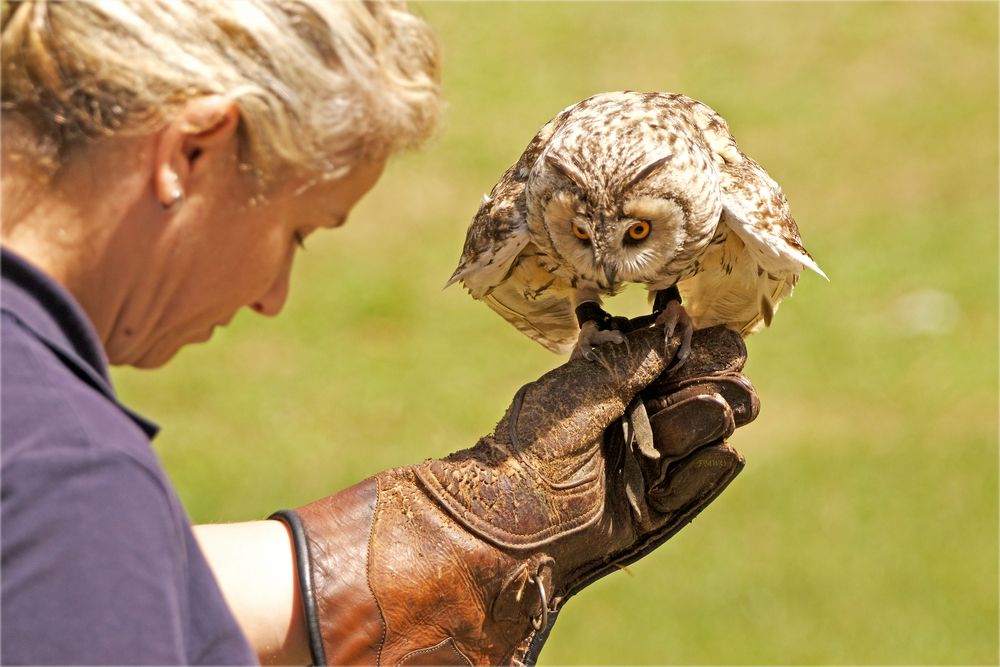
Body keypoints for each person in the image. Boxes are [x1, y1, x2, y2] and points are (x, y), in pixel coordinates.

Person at [0, 1, 757, 665]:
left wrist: (430, 548)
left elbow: (60, 584)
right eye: (299, 231)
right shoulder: (72, 474)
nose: (274, 298)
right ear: (190, 151)